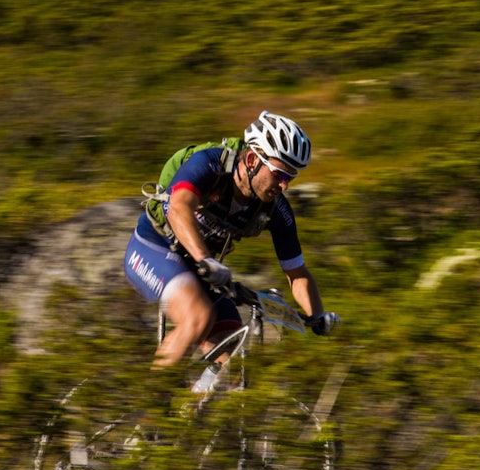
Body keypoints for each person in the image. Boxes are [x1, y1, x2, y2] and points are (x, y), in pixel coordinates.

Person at [124, 110, 339, 371]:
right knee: (198, 318)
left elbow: (297, 273)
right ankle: (151, 393)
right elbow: (178, 207)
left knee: (231, 352)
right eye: (280, 175)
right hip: (154, 247)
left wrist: (317, 315)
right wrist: (205, 259)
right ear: (252, 159)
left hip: (200, 270)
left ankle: (199, 397)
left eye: (291, 178)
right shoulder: (209, 163)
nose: (284, 186)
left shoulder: (277, 208)